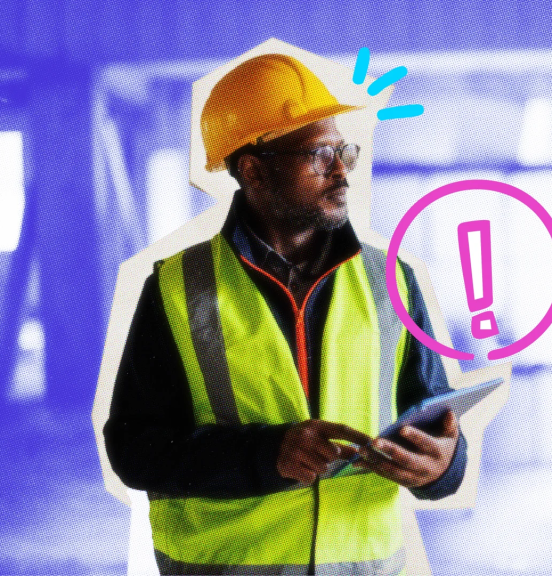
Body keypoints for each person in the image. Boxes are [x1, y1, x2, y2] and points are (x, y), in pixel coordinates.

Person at [104, 53, 468, 576]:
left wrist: (443, 467)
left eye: (345, 150)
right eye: (319, 153)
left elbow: (436, 427)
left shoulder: (391, 281)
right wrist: (267, 453)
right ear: (253, 168)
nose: (341, 170)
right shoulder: (177, 288)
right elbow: (135, 451)